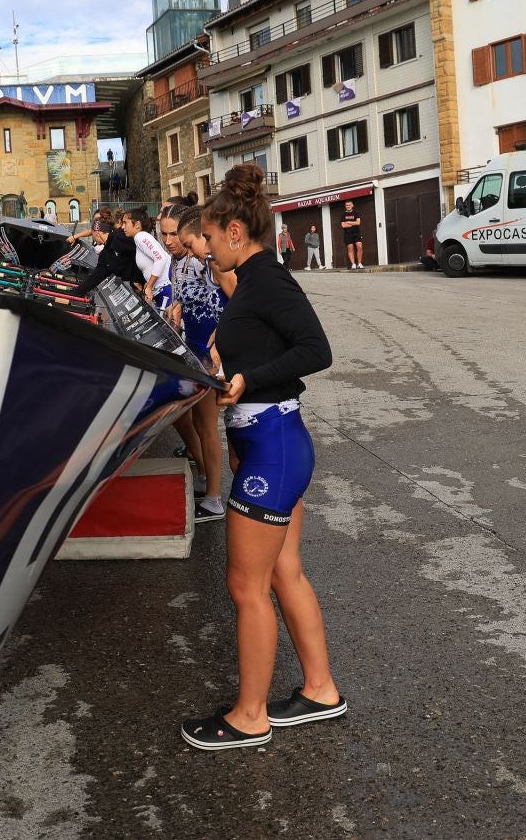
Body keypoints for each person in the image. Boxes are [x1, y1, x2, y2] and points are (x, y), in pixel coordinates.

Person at [180, 163, 344, 750]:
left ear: (232, 232)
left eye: (207, 235)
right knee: (282, 571)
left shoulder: (267, 279)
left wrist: (250, 378)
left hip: (272, 448)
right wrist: (230, 373)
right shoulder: (248, 280)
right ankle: (320, 688)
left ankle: (250, 716)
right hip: (269, 442)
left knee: (245, 585)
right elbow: (259, 348)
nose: (203, 250)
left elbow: (316, 351)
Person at [170, 205, 230, 523]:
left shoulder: (217, 265)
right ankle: (210, 486)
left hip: (209, 356)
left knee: (208, 427)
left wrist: (221, 337)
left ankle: (215, 499)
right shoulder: (204, 264)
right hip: (197, 349)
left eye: (191, 243)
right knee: (199, 423)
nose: (188, 252)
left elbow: (238, 302)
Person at [122, 207, 171, 309]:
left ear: (137, 225)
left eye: (125, 223)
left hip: (165, 288)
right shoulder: (141, 237)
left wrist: (149, 286)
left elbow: (161, 258)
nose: (122, 227)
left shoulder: (141, 237)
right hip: (161, 288)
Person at [341, 201, 364, 270]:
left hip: (357, 233)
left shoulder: (356, 213)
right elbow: (343, 225)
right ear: (345, 206)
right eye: (346, 205)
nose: (348, 206)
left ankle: (359, 264)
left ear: (352, 205)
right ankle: (353, 264)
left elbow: (358, 223)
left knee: (360, 247)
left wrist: (349, 222)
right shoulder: (343, 214)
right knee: (350, 249)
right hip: (348, 234)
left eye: (349, 205)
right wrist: (354, 223)